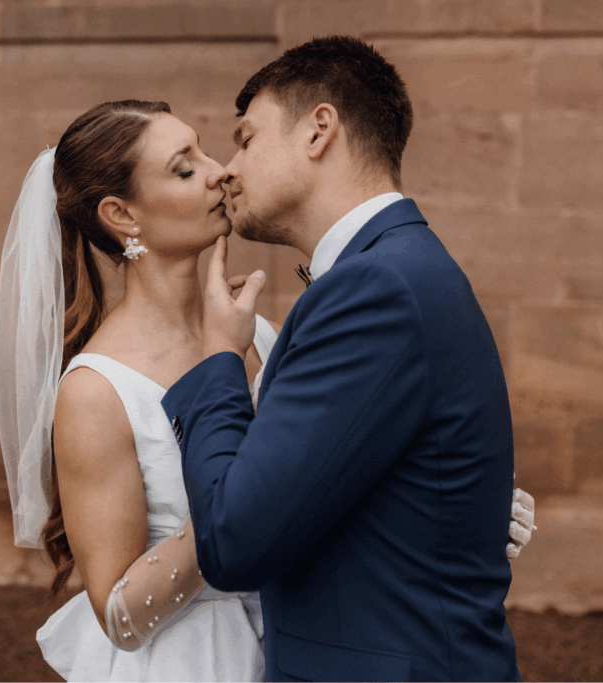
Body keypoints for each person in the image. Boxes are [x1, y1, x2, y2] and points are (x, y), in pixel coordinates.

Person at [0, 99, 535, 680]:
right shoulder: (97, 390)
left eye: (207, 149)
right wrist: (242, 514)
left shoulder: (261, 334)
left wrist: (443, 503)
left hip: (304, 646)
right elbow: (119, 615)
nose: (219, 171)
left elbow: (327, 483)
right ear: (123, 215)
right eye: (184, 168)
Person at [162, 36, 526, 681]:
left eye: (246, 139)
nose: (227, 170)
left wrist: (218, 356)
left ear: (318, 130)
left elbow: (234, 542)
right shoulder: (395, 267)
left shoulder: (374, 288)